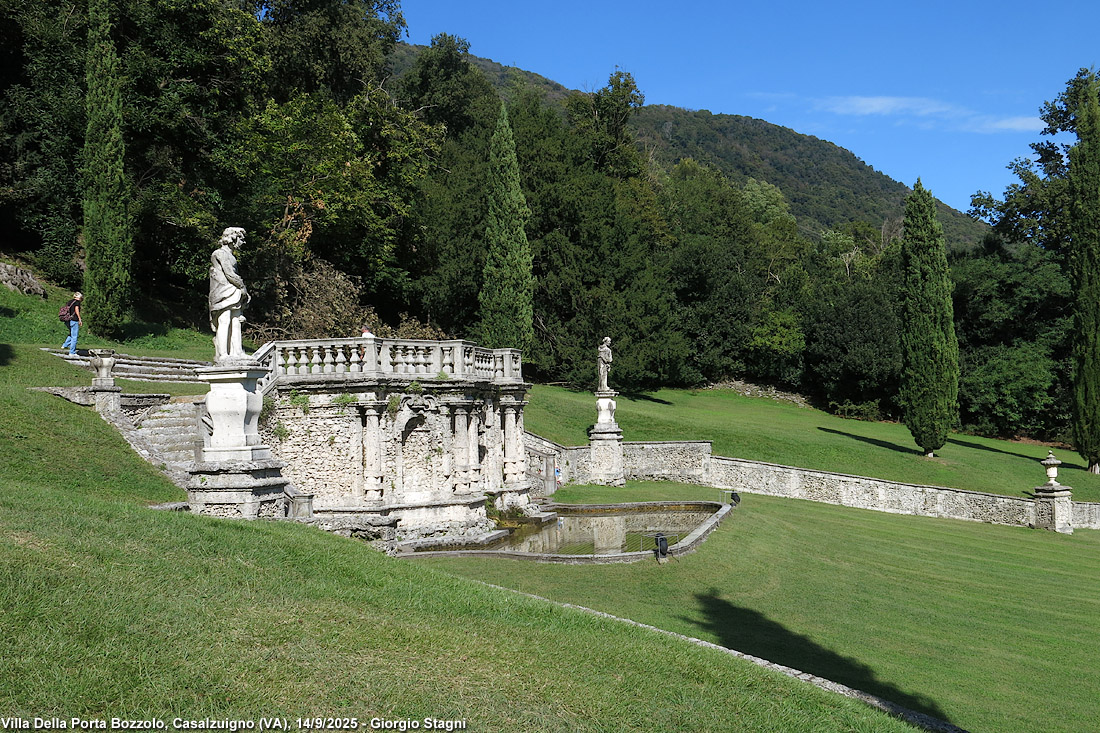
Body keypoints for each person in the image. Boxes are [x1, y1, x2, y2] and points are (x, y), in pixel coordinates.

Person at [209, 227, 250, 363]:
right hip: (222, 291)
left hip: (233, 291)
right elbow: (229, 273)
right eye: (241, 239)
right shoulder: (219, 253)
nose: (243, 242)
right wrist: (243, 287)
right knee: (224, 320)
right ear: (233, 238)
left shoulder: (231, 256)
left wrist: (242, 290)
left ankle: (237, 351)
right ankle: (223, 354)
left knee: (236, 321)